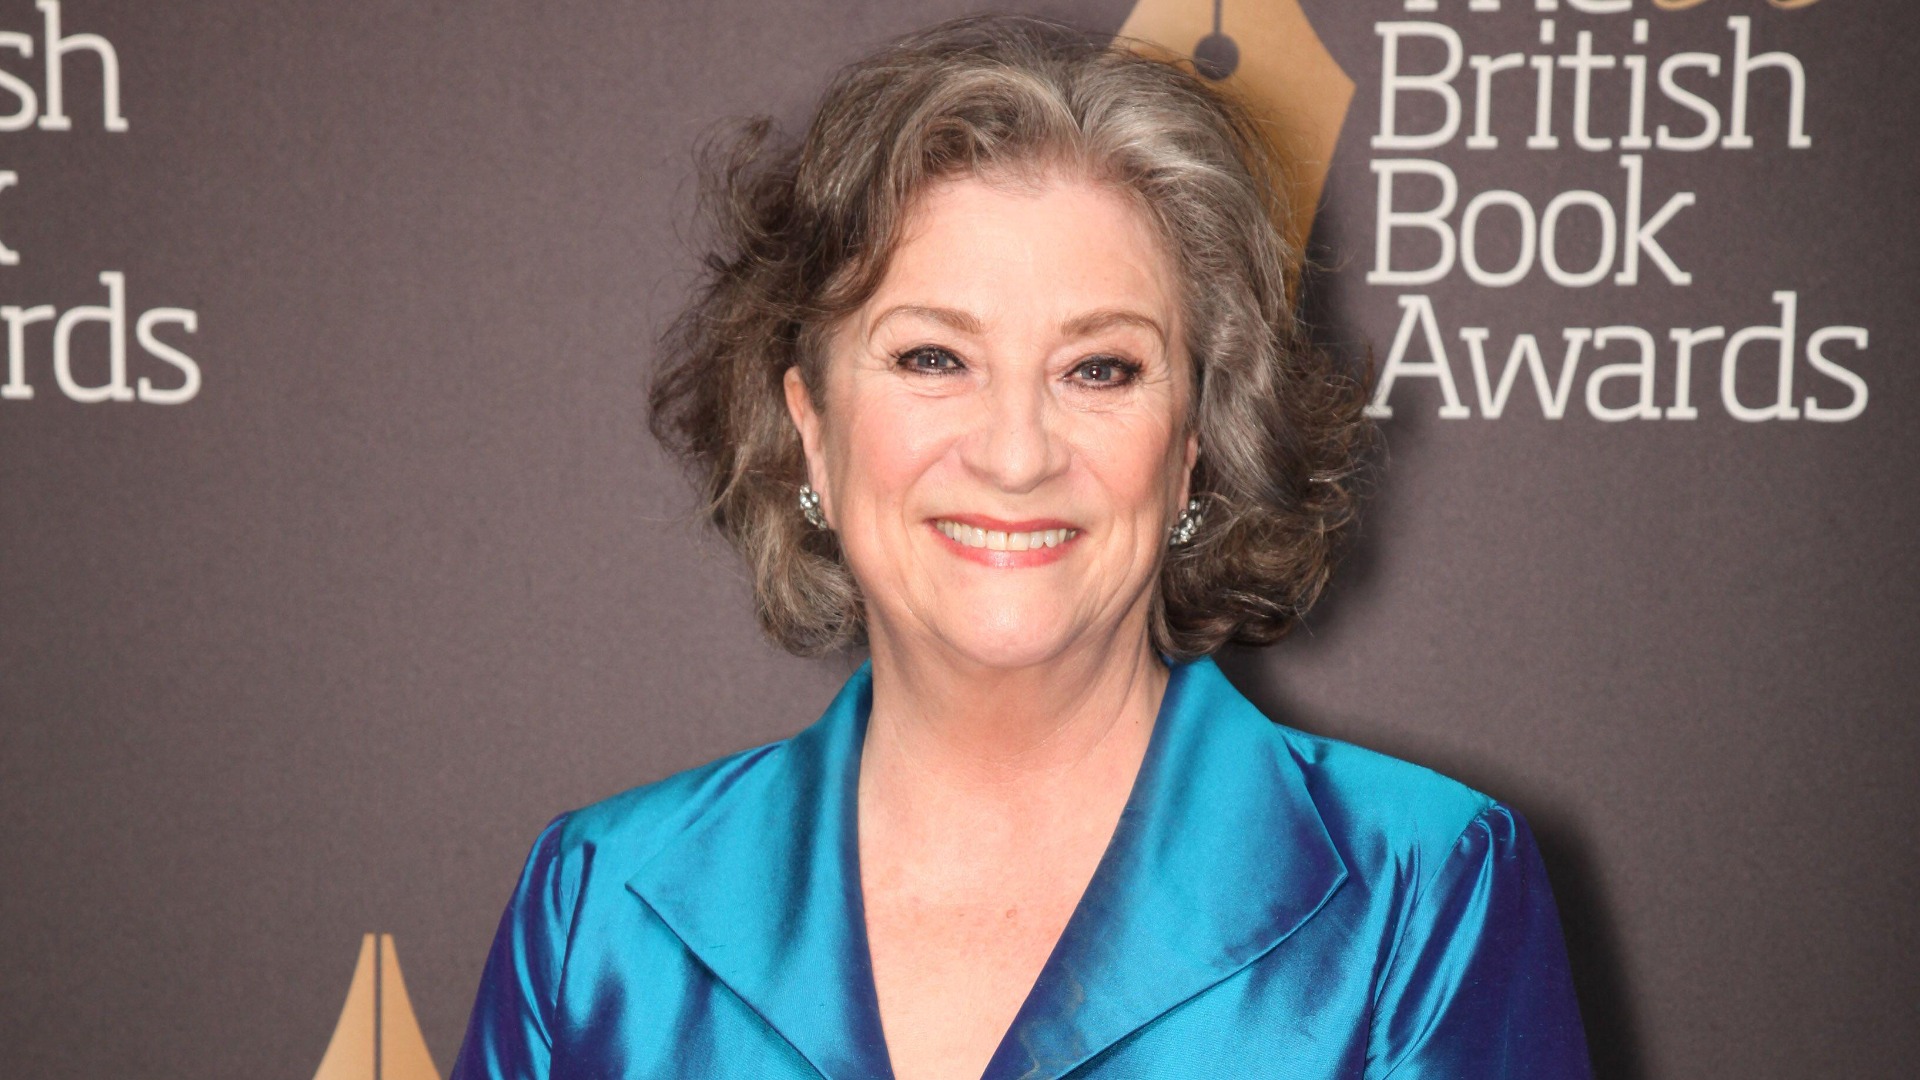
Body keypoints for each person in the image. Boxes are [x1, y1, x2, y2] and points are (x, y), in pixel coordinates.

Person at [450, 15, 1591, 1080]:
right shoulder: (599, 911)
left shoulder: (1420, 895)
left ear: (1194, 439)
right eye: (932, 358)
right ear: (812, 430)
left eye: (1100, 369)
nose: (1014, 453)